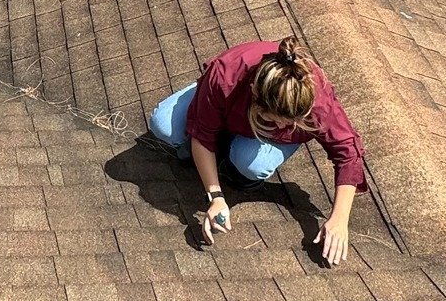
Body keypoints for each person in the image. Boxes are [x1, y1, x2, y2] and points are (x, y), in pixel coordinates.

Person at [148, 36, 366, 264]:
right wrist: (216, 197)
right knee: (163, 125)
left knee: (252, 165)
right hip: (226, 99)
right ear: (254, 93)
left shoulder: (316, 99)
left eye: (291, 122)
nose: (283, 127)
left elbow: (348, 153)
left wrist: (339, 220)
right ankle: (216, 124)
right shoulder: (226, 75)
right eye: (276, 120)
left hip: (252, 121)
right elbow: (202, 137)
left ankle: (232, 160)